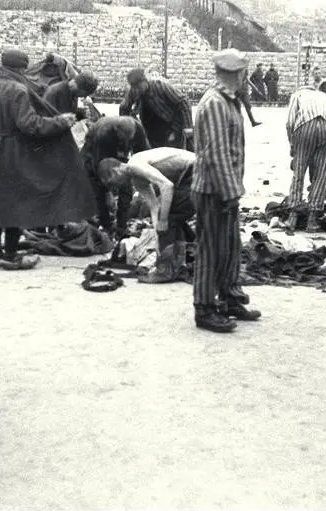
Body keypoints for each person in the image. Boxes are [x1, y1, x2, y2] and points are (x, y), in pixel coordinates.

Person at [0, 49, 96, 269]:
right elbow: (30, 125)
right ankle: (10, 255)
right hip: (11, 151)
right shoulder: (18, 89)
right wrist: (61, 122)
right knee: (14, 201)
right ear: (22, 68)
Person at [192, 49, 260, 333]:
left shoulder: (227, 100)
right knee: (211, 249)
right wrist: (231, 194)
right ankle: (205, 308)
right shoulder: (216, 104)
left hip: (224, 186)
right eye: (244, 73)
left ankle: (230, 297)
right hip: (213, 189)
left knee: (230, 246)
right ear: (237, 74)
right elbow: (217, 154)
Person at [97, 148, 196, 282]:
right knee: (170, 217)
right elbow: (154, 207)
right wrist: (158, 235)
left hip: (194, 169)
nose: (115, 187)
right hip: (189, 174)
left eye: (111, 183)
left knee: (170, 217)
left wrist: (163, 220)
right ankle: (177, 264)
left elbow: (167, 186)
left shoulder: (134, 164)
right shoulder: (138, 181)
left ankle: (166, 271)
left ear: (115, 171)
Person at [80, 116, 151, 236]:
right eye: (123, 139)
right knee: (99, 192)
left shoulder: (138, 129)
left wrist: (145, 178)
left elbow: (144, 154)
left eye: (129, 139)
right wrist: (108, 193)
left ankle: (121, 227)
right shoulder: (103, 133)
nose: (126, 142)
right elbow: (99, 167)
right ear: (116, 131)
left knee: (126, 187)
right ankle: (106, 225)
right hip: (92, 155)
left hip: (118, 157)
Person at [285, 81, 326, 231]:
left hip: (305, 126)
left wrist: (292, 145)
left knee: (299, 170)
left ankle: (293, 217)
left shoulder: (297, 95)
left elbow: (289, 122)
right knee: (321, 173)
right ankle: (312, 219)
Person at [119, 69, 193, 150]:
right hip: (150, 129)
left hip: (171, 125)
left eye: (139, 86)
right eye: (134, 87)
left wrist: (188, 127)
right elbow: (124, 108)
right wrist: (128, 130)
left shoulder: (160, 85)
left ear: (145, 81)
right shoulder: (133, 91)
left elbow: (183, 102)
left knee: (169, 153)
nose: (137, 90)